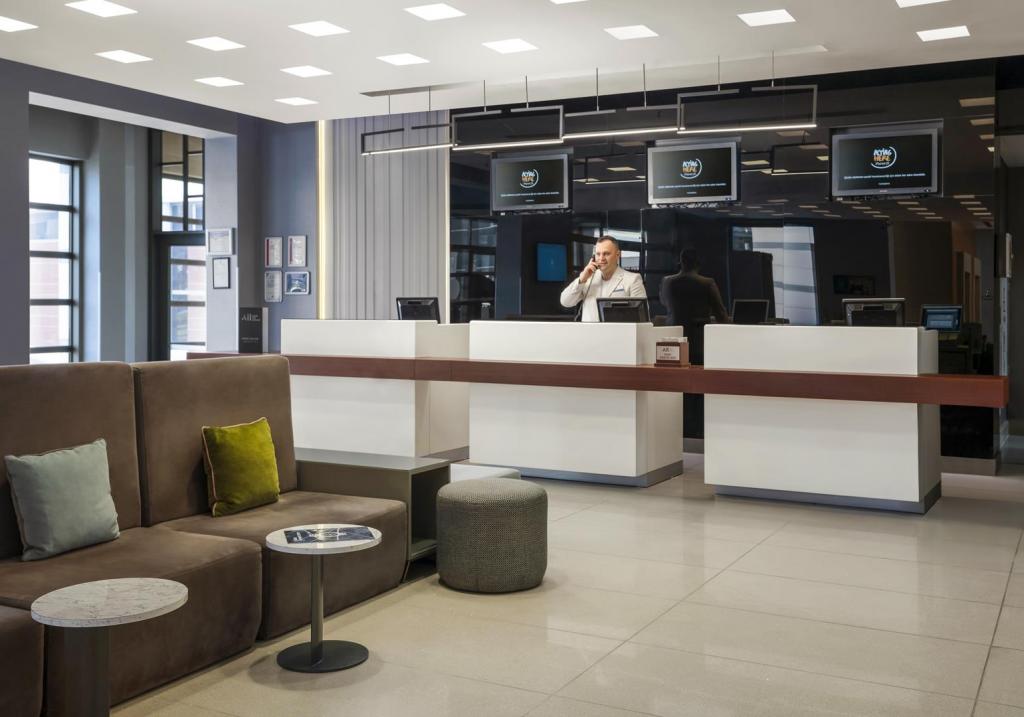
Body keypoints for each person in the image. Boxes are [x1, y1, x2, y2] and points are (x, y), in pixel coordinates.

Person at [560, 236, 646, 322]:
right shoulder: (587, 279)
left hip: (617, 330)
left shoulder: (633, 280)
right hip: (589, 330)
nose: (601, 258)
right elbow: (565, 302)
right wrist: (581, 279)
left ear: (617, 255)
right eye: (598, 254)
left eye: (606, 254)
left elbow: (641, 317)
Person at [659, 248, 730, 328]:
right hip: (699, 334)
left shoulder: (666, 282)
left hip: (673, 333)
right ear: (698, 264)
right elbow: (721, 316)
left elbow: (664, 302)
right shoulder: (708, 283)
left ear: (680, 263)